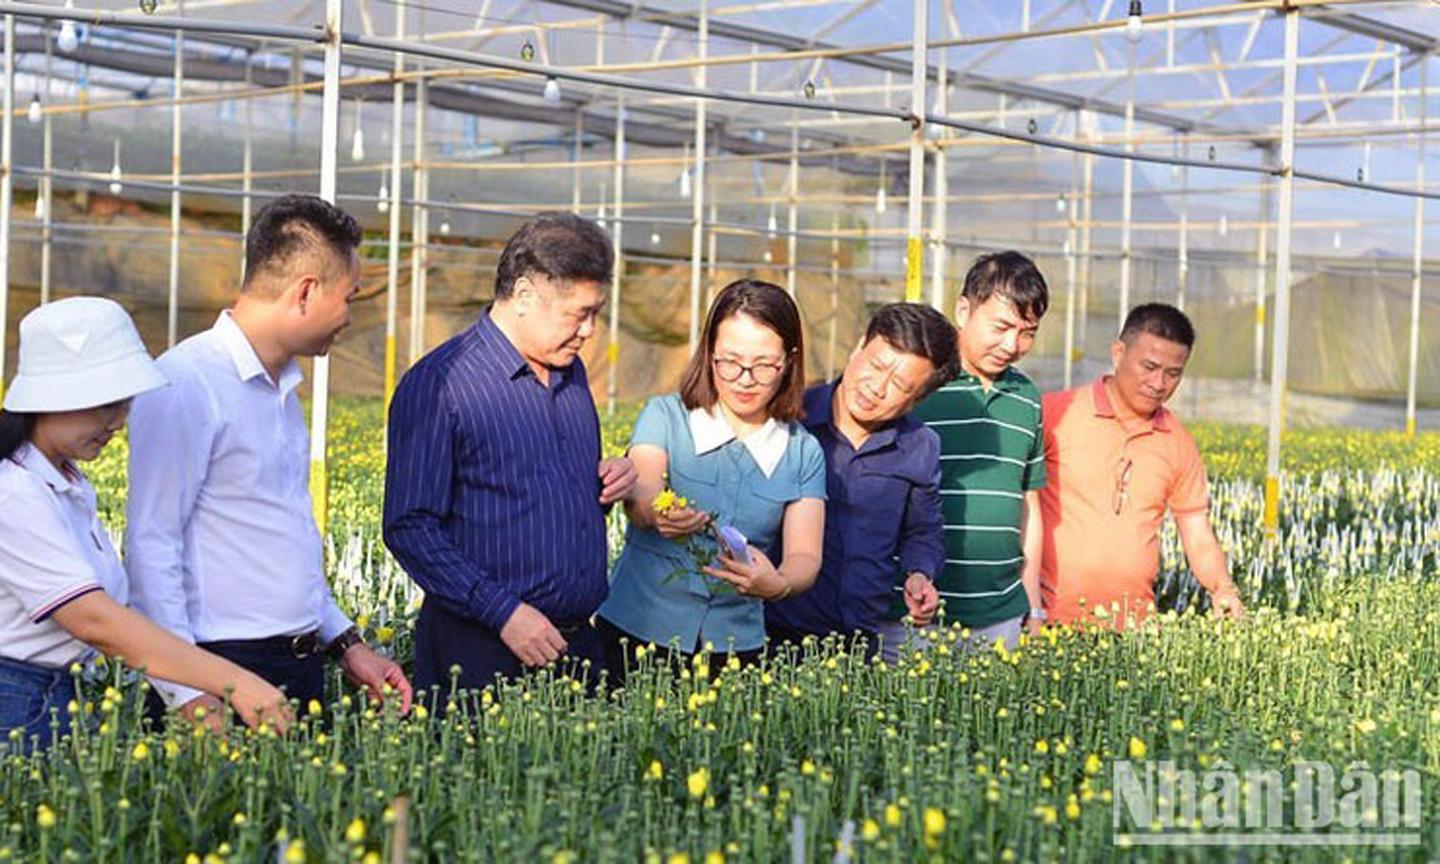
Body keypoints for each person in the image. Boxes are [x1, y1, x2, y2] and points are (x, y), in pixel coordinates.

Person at [127, 195, 412, 725]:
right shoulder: (188, 382)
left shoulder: (281, 388)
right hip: (218, 669)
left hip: (296, 666)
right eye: (348, 297)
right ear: (305, 291)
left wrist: (346, 642)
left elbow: (282, 542)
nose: (350, 317)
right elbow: (150, 542)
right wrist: (183, 691)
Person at [0, 297, 290, 752]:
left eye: (125, 403)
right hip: (18, 705)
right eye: (105, 405)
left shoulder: (62, 481)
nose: (118, 421)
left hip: (54, 696)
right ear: (50, 398)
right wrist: (234, 681)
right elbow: (95, 620)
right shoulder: (15, 492)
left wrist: (188, 692)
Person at [384, 213, 636, 695]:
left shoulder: (571, 375)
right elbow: (409, 527)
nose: (589, 331)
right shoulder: (442, 384)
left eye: (595, 313)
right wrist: (504, 613)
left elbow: (536, 490)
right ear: (523, 295)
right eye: (577, 314)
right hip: (480, 653)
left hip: (575, 648)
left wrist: (606, 484)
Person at [596, 279, 826, 684]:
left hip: (736, 649)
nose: (745, 378)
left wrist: (779, 584)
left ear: (789, 361)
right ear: (709, 352)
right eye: (730, 361)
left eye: (764, 364)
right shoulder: (665, 416)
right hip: (636, 632)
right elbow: (643, 490)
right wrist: (658, 514)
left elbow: (805, 556)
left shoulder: (802, 451)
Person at [764, 303, 955, 662]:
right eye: (876, 365)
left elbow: (923, 529)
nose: (876, 388)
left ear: (919, 399)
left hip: (858, 641)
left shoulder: (920, 446)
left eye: (899, 384)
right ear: (858, 347)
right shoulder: (789, 418)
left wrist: (919, 573)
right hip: (771, 630)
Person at [1039, 303, 1244, 628]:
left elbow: (1197, 531)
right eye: (1149, 366)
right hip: (1048, 624)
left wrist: (1222, 587)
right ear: (1118, 353)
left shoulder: (1177, 440)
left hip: (1134, 631)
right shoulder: (1055, 415)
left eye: (1173, 373)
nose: (1159, 383)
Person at [908, 252, 1051, 651]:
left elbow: (1029, 505)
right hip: (917, 609)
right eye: (1001, 326)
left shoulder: (1026, 398)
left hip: (1000, 613)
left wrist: (1032, 602)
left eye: (1028, 332)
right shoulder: (920, 382)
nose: (1013, 345)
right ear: (964, 310)